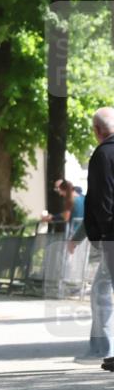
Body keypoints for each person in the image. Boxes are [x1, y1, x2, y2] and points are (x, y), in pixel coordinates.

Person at [76, 107, 114, 367]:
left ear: (97, 131)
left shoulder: (103, 154)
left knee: (103, 290)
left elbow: (102, 199)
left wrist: (102, 234)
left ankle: (105, 346)